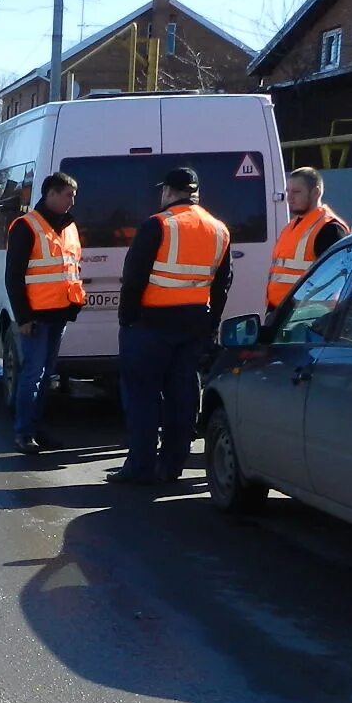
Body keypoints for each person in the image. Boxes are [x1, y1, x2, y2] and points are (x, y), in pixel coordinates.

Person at [111, 167, 231, 486]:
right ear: (196, 193)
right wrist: (212, 323)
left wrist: (127, 320)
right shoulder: (219, 229)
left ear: (167, 191)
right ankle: (172, 465)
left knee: (144, 397)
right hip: (194, 325)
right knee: (183, 397)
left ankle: (141, 466)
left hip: (149, 325)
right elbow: (222, 284)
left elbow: (133, 278)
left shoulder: (157, 225)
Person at [3, 172, 86, 455]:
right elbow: (13, 277)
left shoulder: (69, 227)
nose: (72, 202)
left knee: (46, 375)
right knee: (33, 375)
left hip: (59, 314)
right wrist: (23, 318)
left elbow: (72, 267)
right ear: (50, 194)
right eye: (67, 195)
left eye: (73, 196)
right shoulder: (26, 227)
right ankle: (23, 432)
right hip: (36, 317)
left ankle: (36, 429)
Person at [267, 167, 349, 310]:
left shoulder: (329, 228)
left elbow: (334, 282)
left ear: (316, 192)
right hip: (281, 313)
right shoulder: (292, 226)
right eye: (288, 192)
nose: (289, 197)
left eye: (296, 192)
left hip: (305, 316)